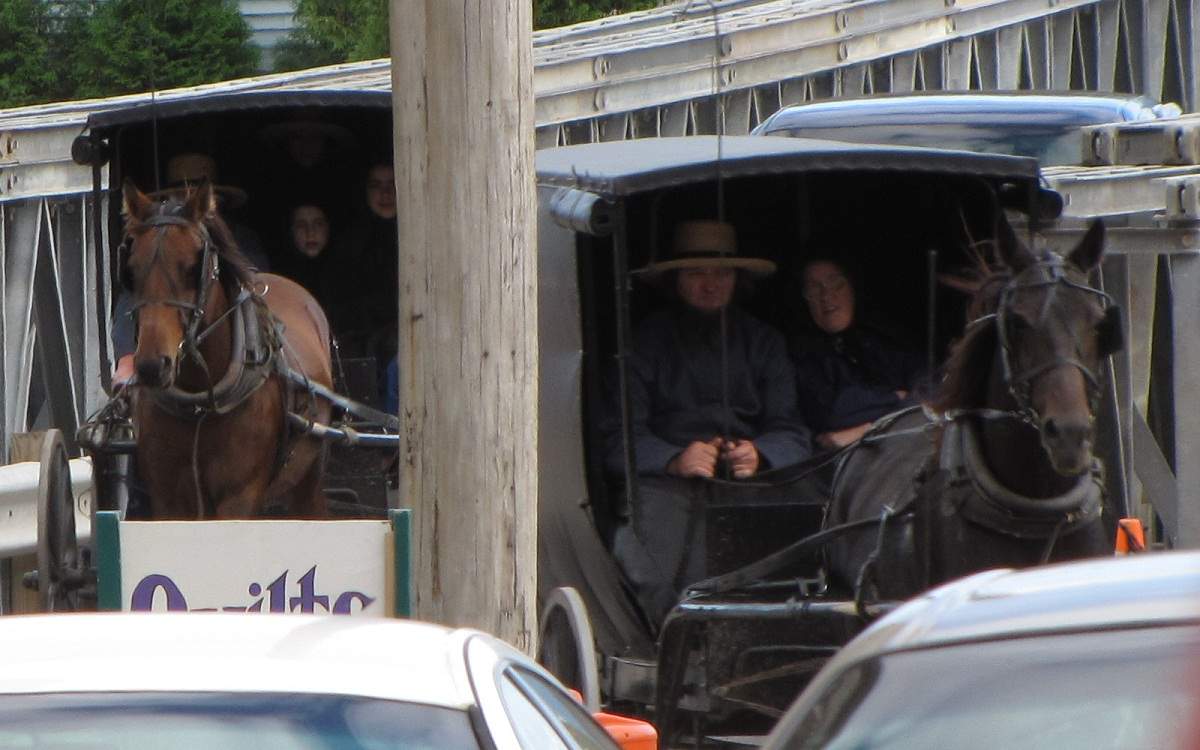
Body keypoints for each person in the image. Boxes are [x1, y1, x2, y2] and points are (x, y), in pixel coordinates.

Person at [603, 220, 812, 625]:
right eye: (697, 273)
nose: (710, 283)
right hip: (667, 484)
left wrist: (761, 453)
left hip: (750, 482)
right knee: (656, 564)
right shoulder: (644, 344)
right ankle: (682, 646)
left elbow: (792, 429)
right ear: (676, 281)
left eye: (721, 273)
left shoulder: (764, 342)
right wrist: (675, 459)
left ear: (737, 279)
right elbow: (618, 436)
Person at [790, 256, 926, 451]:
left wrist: (868, 430)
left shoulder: (887, 337)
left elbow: (929, 388)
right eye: (814, 289)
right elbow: (834, 414)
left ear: (853, 287)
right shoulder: (801, 354)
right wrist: (897, 397)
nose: (826, 296)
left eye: (836, 284)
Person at [325, 161, 399, 364]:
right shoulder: (350, 245)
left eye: (392, 184)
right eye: (376, 186)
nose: (385, 193)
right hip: (362, 350)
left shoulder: (421, 239)